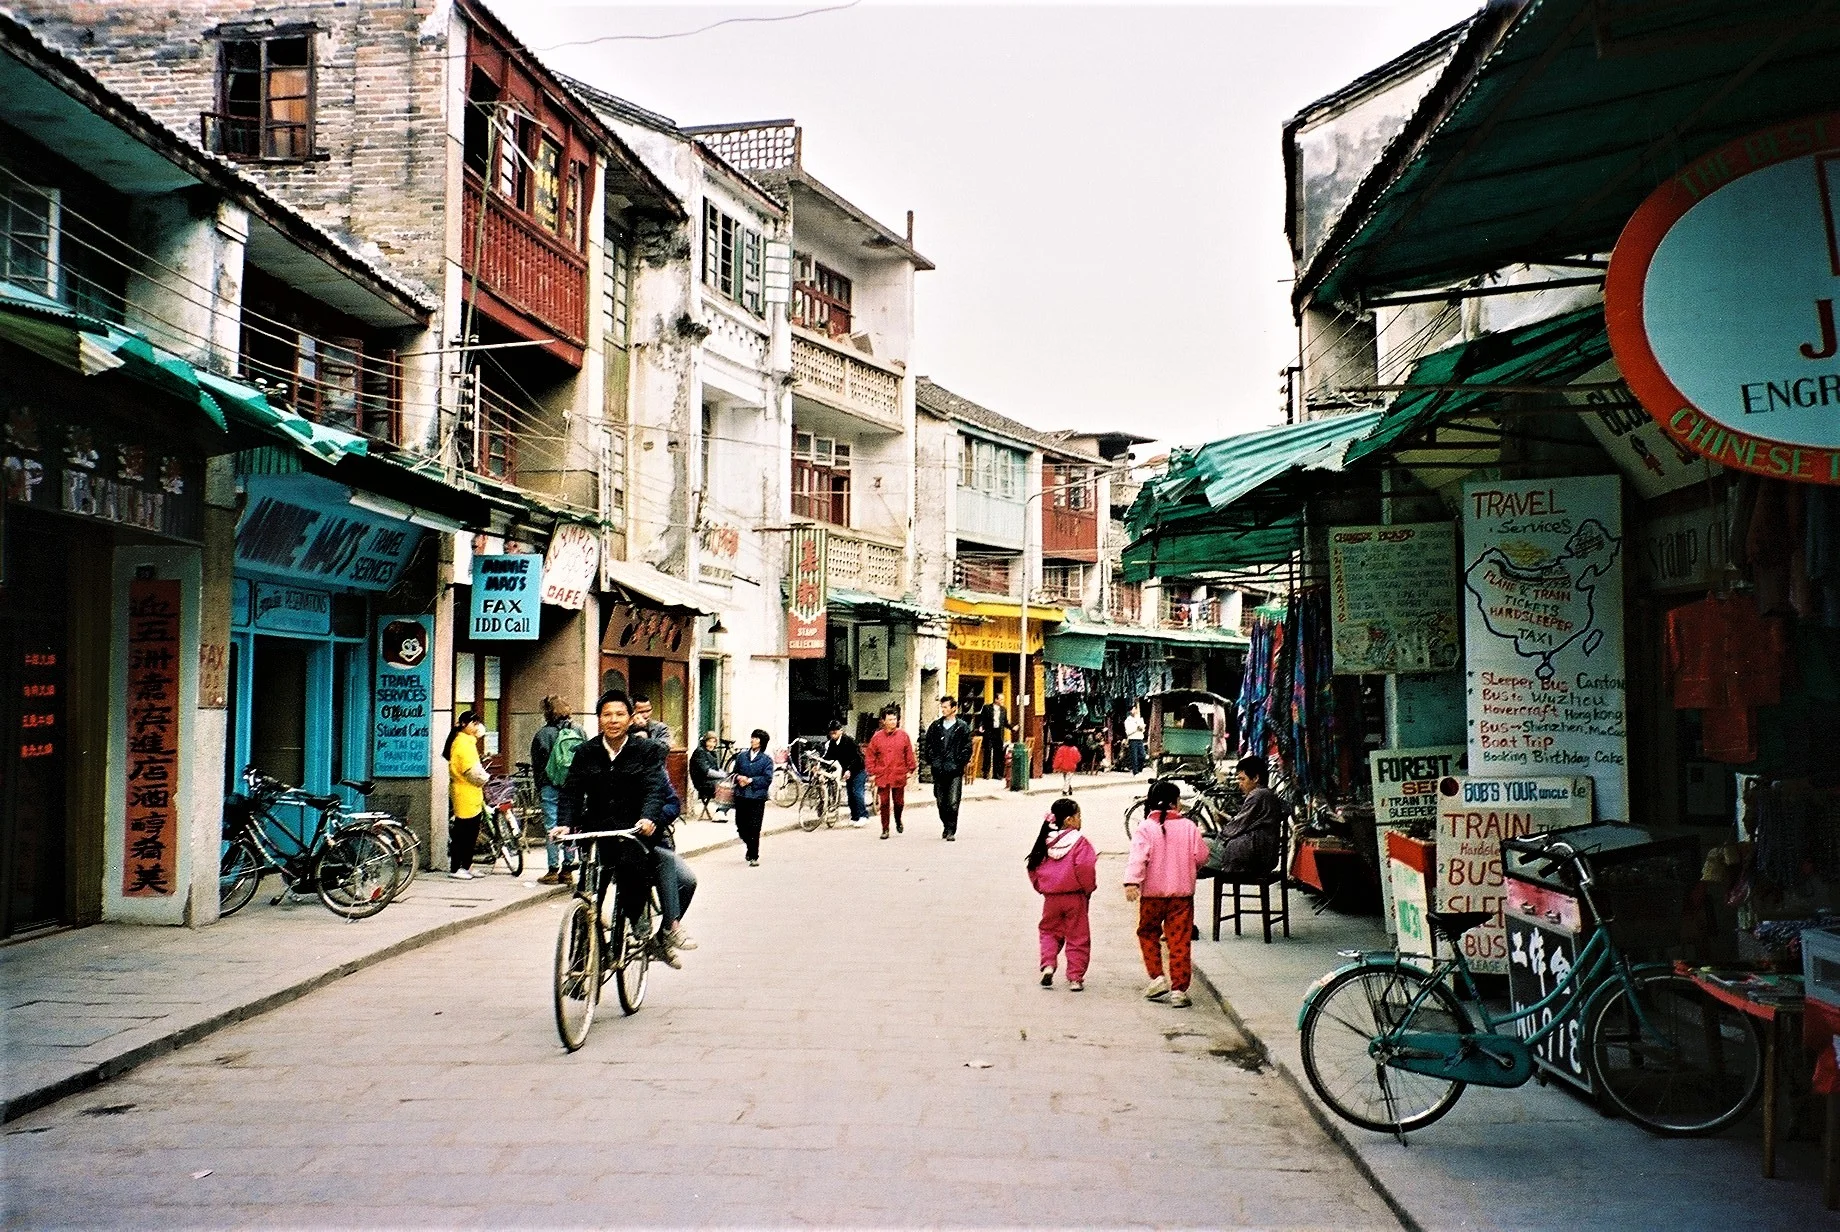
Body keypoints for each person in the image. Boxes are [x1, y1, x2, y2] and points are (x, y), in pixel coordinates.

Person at [556, 689, 695, 962]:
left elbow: (656, 790)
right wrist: (564, 824)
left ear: (631, 719)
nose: (613, 720)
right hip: (597, 834)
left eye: (620, 714)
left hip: (634, 833)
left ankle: (639, 925)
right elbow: (571, 791)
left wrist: (648, 818)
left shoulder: (647, 751)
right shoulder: (586, 752)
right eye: (607, 714)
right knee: (585, 897)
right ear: (599, 719)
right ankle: (582, 964)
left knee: (636, 873)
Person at [1125, 778, 1211, 1008]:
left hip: (1152, 896)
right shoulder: (1190, 827)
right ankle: (1179, 990)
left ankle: (1158, 977)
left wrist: (1131, 883)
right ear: (1176, 804)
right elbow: (1201, 856)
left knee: (1148, 933)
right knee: (1179, 941)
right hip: (1181, 896)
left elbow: (1138, 858)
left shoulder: (1145, 828)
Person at [1027, 798, 1098, 991]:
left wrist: (1041, 887)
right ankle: (1075, 977)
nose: (1080, 820)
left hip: (1051, 898)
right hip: (1075, 897)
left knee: (1049, 931)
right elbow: (1085, 867)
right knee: (1078, 936)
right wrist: (1088, 888)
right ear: (1069, 820)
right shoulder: (1079, 842)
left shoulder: (1045, 841)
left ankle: (1048, 965)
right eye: (1078, 816)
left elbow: (1032, 866)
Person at [531, 696, 586, 885]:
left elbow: (537, 765)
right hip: (573, 786)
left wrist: (541, 785)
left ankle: (552, 869)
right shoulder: (579, 730)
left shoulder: (542, 734)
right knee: (569, 825)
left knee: (552, 827)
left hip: (550, 785)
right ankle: (568, 869)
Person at [1213, 756, 1288, 874]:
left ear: (1256, 778)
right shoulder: (1267, 794)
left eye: (1243, 779)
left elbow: (1239, 825)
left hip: (1252, 855)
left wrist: (1222, 834)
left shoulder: (1257, 795)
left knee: (1201, 847)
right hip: (1263, 853)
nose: (1240, 784)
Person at [445, 711, 490, 879]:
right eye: (474, 723)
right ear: (464, 724)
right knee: (463, 833)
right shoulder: (462, 743)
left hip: (470, 793)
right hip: (464, 792)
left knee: (471, 833)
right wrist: (485, 778)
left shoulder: (468, 741)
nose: (477, 726)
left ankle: (467, 865)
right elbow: (470, 770)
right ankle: (456, 867)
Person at [921, 696, 974, 841]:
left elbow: (967, 747)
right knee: (941, 801)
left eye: (946, 707)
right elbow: (928, 745)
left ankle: (951, 829)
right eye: (942, 707)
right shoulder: (935, 726)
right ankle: (945, 824)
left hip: (955, 770)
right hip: (939, 769)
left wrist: (960, 762)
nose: (943, 710)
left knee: (953, 802)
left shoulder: (961, 727)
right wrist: (933, 760)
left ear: (954, 708)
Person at [865, 706, 916, 839]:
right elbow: (870, 756)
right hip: (882, 774)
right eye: (890, 719)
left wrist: (910, 769)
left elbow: (909, 753)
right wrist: (871, 772)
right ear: (883, 721)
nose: (893, 722)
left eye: (895, 719)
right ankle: (885, 828)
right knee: (885, 802)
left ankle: (898, 819)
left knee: (899, 802)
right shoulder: (877, 737)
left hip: (898, 772)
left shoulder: (903, 736)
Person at [729, 728, 774, 866]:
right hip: (741, 795)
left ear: (762, 742)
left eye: (756, 738)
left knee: (754, 826)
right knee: (741, 825)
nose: (753, 740)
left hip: (757, 798)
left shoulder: (766, 760)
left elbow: (767, 779)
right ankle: (749, 844)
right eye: (752, 737)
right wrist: (739, 778)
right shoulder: (742, 756)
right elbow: (733, 773)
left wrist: (751, 780)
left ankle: (753, 854)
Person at [824, 718, 869, 828]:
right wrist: (820, 764)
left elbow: (857, 758)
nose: (833, 735)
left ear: (840, 731)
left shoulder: (849, 741)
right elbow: (829, 758)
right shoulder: (832, 744)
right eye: (831, 733)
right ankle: (855, 817)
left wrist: (849, 769)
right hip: (847, 771)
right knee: (850, 795)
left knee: (857, 792)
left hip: (858, 769)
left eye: (835, 732)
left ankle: (863, 816)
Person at [689, 732, 726, 816]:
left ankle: (722, 811)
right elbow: (707, 771)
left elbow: (716, 769)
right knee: (724, 786)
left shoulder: (712, 752)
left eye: (714, 742)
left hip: (710, 780)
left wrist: (726, 775)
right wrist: (723, 776)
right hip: (702, 782)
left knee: (731, 784)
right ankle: (721, 811)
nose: (712, 744)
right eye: (709, 741)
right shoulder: (700, 752)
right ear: (705, 741)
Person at [980, 699, 1008, 781]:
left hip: (998, 733)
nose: (1002, 701)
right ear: (996, 700)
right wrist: (981, 726)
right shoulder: (987, 708)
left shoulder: (1003, 709)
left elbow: (1005, 722)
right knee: (988, 752)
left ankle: (997, 774)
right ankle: (986, 773)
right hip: (989, 732)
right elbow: (982, 718)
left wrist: (1012, 727)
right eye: (1001, 699)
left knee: (998, 753)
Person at [1123, 705, 1147, 776]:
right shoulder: (1128, 721)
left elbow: (1143, 729)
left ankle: (1139, 769)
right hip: (1133, 739)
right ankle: (1135, 772)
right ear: (1130, 711)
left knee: (1143, 755)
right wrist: (1136, 729)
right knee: (1134, 756)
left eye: (1135, 709)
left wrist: (1142, 728)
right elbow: (1128, 732)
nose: (1135, 711)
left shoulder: (1139, 718)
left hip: (1140, 738)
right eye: (1133, 709)